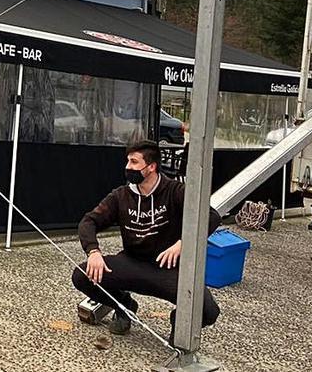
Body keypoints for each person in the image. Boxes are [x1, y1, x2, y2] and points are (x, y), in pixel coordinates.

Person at [72, 140, 222, 343]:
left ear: (151, 167)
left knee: (208, 311)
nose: (128, 167)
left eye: (134, 162)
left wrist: (183, 243)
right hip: (132, 262)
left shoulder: (176, 191)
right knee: (82, 276)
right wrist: (93, 252)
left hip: (167, 269)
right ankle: (124, 306)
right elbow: (89, 221)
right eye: (127, 161)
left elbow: (211, 216)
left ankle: (179, 323)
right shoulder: (121, 195)